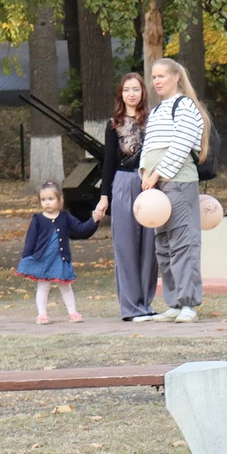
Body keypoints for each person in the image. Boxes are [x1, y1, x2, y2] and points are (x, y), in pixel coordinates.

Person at [138, 57, 210, 324]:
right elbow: (148, 146)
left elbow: (181, 145)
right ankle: (174, 303)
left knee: (184, 243)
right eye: (154, 77)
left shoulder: (185, 106)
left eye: (162, 76)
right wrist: (145, 173)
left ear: (175, 77)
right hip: (156, 187)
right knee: (164, 245)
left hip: (178, 183)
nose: (156, 81)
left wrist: (158, 173)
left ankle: (188, 302)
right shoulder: (157, 110)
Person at [91, 73, 159, 321]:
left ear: (143, 92)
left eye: (136, 89)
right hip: (123, 182)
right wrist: (104, 196)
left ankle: (146, 304)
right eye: (127, 90)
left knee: (150, 247)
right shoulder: (114, 124)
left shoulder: (154, 120)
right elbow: (108, 161)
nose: (132, 94)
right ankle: (130, 308)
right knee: (126, 246)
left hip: (151, 185)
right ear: (121, 94)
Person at [17, 181, 97, 324]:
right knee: (43, 287)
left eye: (51, 199)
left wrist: (94, 220)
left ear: (60, 200)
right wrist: (26, 258)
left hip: (60, 259)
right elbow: (30, 241)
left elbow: (81, 229)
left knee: (66, 286)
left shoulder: (65, 216)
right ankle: (42, 314)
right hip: (43, 259)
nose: (47, 203)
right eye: (43, 199)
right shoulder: (38, 219)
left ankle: (73, 313)